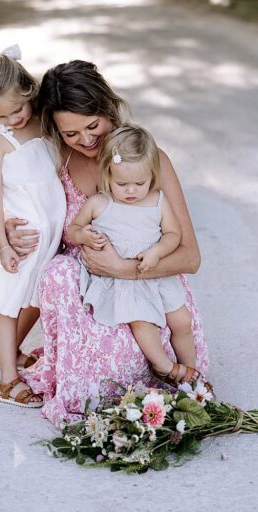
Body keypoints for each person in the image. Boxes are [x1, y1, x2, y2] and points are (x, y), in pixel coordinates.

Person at [5, 60, 208, 425]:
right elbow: (18, 184)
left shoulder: (147, 162)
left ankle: (165, 372)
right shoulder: (58, 161)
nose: (85, 140)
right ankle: (81, 374)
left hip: (145, 287)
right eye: (70, 133)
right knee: (57, 271)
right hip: (88, 296)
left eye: (93, 125)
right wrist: (8, 227)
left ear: (108, 107)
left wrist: (123, 269)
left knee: (132, 365)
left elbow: (190, 256)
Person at [67, 124, 203, 387]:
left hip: (156, 276)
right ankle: (165, 367)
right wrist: (83, 236)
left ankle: (193, 374)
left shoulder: (157, 201)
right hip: (125, 284)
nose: (131, 191)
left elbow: (173, 234)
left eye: (139, 183)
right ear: (107, 174)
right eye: (122, 184)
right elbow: (73, 230)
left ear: (152, 176)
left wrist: (158, 251)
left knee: (183, 321)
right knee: (143, 323)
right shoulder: (99, 203)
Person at [0, 46, 66, 408]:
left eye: (17, 109)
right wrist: (3, 244)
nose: (12, 119)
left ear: (29, 92)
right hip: (26, 239)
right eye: (1, 113)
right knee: (10, 305)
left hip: (53, 236)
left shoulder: (43, 123)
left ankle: (15, 355)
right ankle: (7, 379)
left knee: (40, 300)